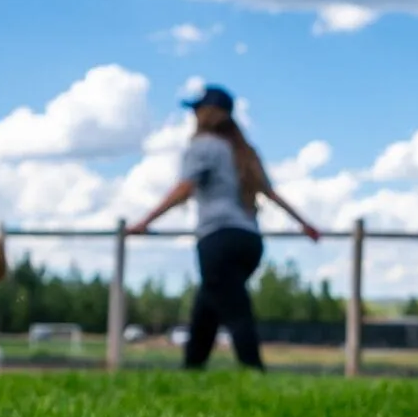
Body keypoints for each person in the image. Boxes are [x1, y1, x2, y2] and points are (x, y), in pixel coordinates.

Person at [127, 86, 321, 370]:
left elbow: (184, 188)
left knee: (235, 309)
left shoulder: (203, 146)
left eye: (197, 109)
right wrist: (306, 225)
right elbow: (271, 193)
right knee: (207, 307)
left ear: (208, 113)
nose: (193, 115)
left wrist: (144, 222)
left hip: (218, 239)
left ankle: (254, 372)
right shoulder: (244, 152)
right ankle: (192, 369)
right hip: (249, 242)